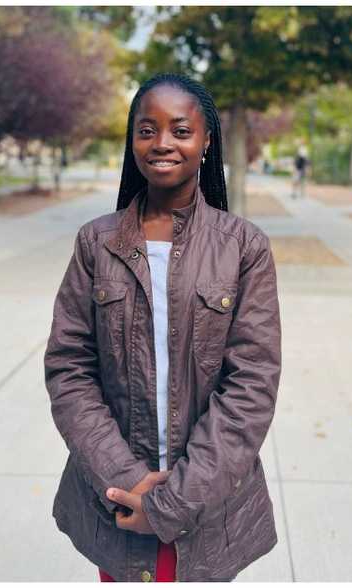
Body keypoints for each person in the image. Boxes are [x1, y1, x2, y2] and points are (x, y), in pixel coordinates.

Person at [44, 73, 281, 582]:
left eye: (181, 130)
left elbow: (252, 385)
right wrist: (125, 479)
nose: (162, 143)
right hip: (116, 502)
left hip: (209, 506)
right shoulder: (96, 243)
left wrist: (173, 503)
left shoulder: (244, 248)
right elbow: (69, 370)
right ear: (132, 141)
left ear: (206, 140)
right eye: (147, 130)